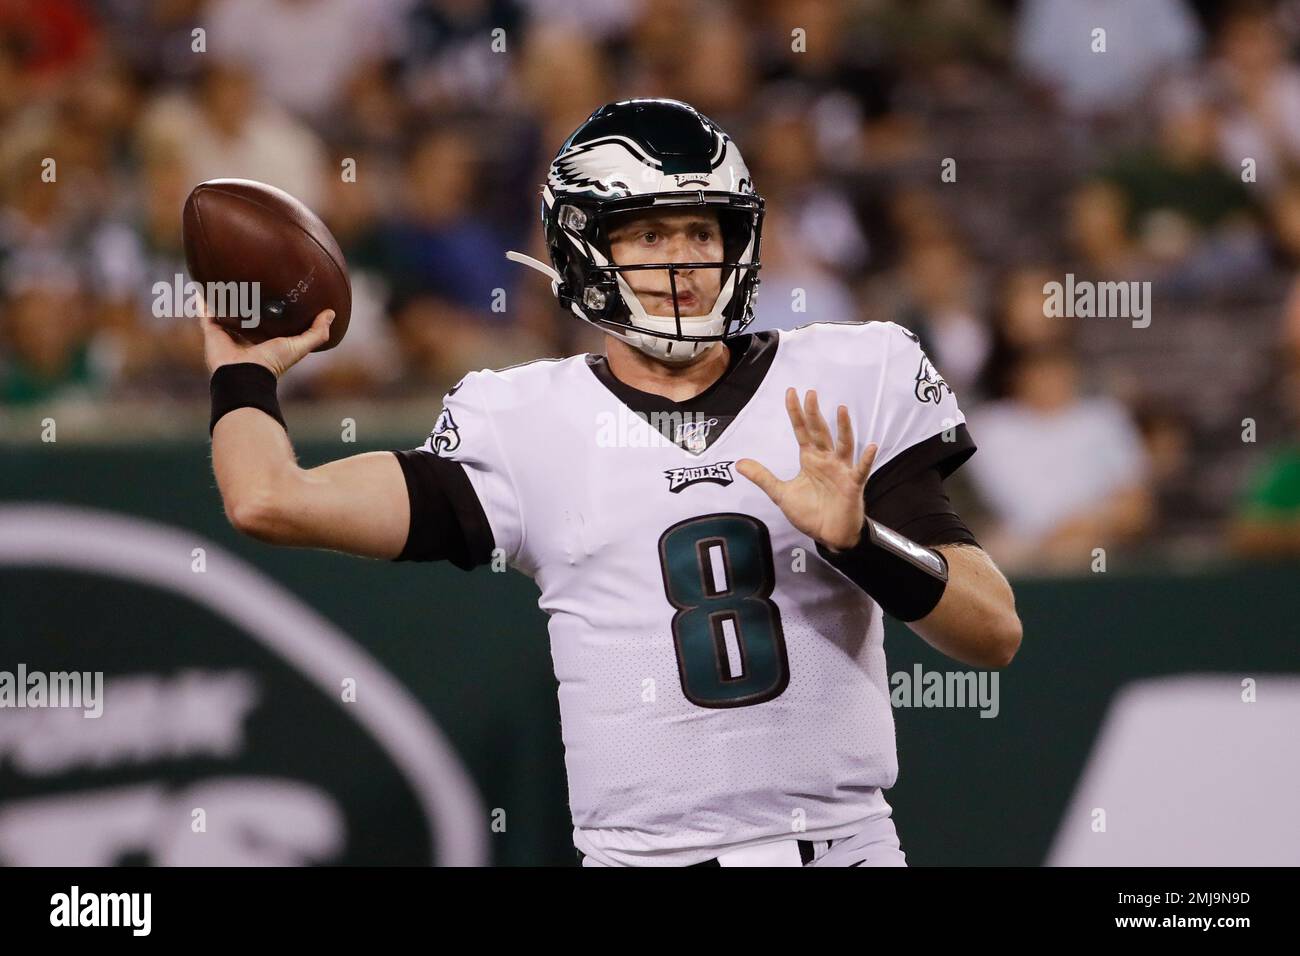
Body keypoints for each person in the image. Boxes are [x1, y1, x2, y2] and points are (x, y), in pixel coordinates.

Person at [203, 99, 1021, 867]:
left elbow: (993, 634)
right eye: (650, 236)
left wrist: (859, 543)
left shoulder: (843, 379)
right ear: (584, 247)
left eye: (702, 231)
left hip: (842, 849)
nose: (683, 263)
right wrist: (242, 372)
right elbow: (268, 500)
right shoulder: (525, 421)